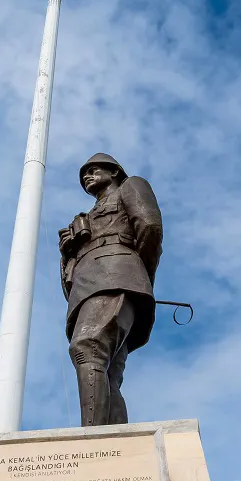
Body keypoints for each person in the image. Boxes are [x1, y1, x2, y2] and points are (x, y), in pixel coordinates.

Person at [59, 153, 163, 426]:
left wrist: (136, 273)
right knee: (108, 372)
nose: (86, 176)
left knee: (87, 347)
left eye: (93, 170)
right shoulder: (87, 216)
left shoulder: (131, 186)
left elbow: (149, 226)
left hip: (116, 276)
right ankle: (113, 442)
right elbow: (70, 278)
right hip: (89, 286)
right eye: (84, 173)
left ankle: (91, 440)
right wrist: (69, 250)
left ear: (114, 171)